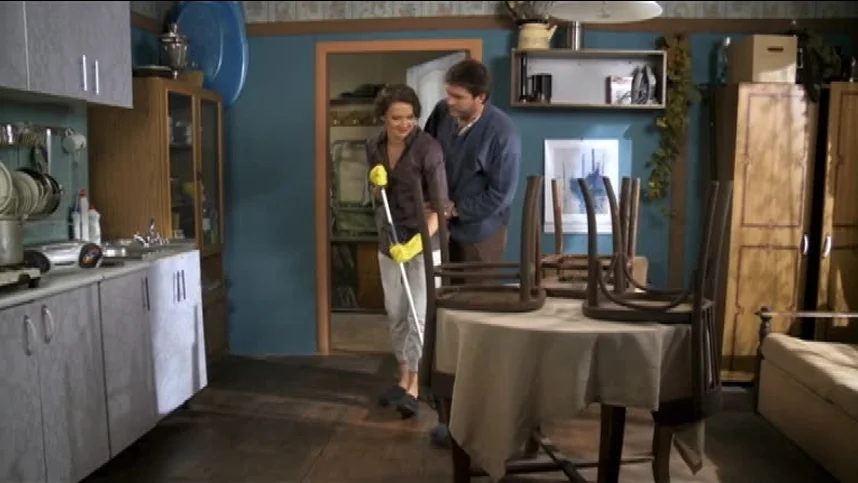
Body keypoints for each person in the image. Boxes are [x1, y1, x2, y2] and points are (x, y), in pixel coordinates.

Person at [423, 58, 522, 446]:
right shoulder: (442, 114)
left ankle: (479, 418)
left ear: (480, 98)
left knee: (476, 323)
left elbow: (501, 195)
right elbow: (425, 152)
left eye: (457, 96)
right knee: (447, 319)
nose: (448, 101)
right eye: (448, 93)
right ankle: (448, 416)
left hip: (481, 235)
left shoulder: (503, 135)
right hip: (443, 228)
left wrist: (454, 209)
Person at [365, 84, 449, 419]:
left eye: (410, 117)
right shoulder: (373, 145)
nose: (404, 124)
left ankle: (415, 384)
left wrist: (417, 243)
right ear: (383, 118)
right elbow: (377, 195)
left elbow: (441, 207)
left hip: (423, 243)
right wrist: (375, 186)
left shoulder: (428, 150)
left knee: (419, 315)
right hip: (389, 240)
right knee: (395, 312)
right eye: (396, 118)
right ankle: (402, 378)